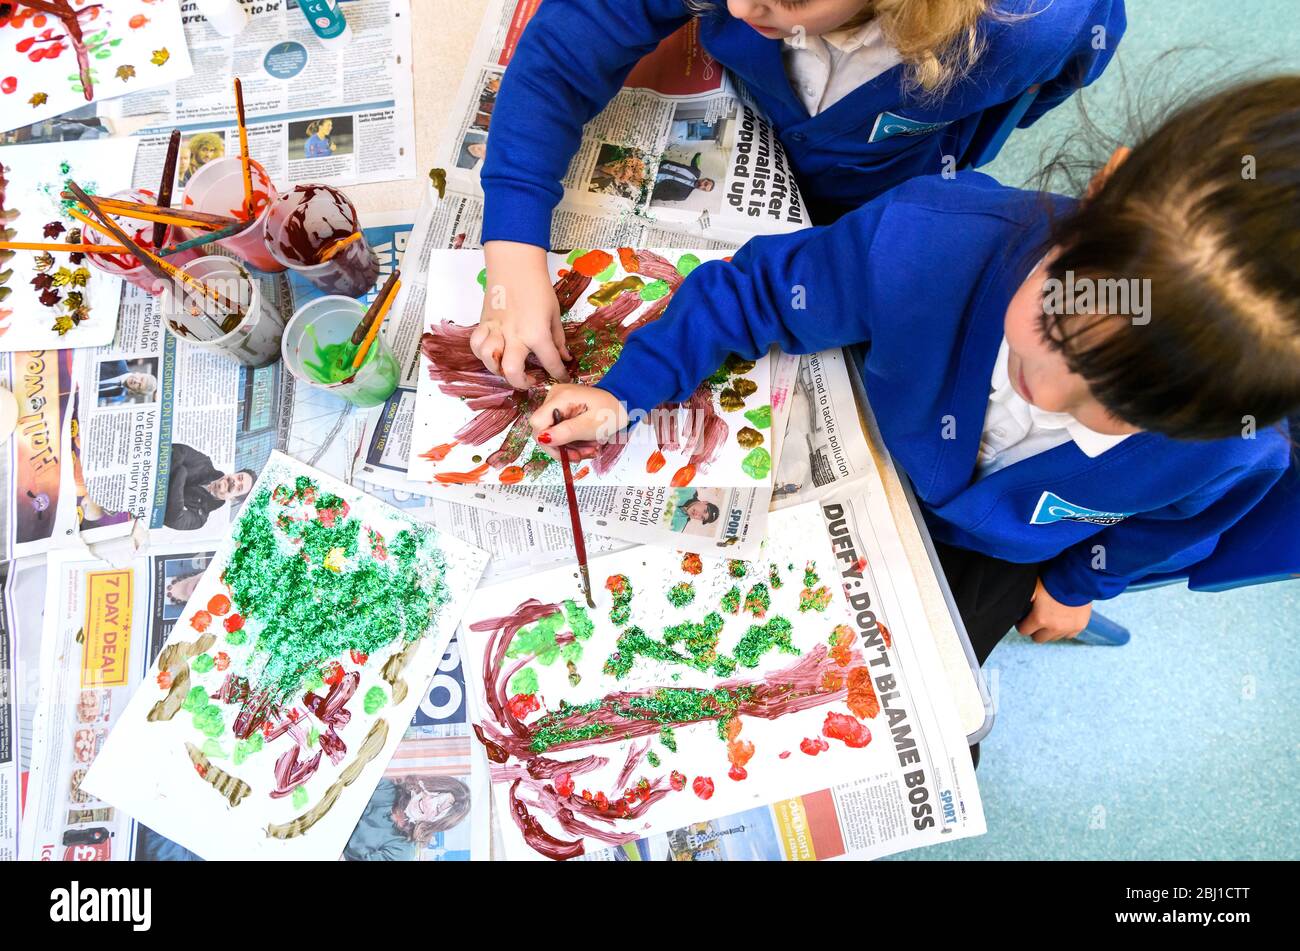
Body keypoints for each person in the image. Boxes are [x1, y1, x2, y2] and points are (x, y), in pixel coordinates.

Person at [528, 77, 1300, 666]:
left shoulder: (1232, 446)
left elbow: (1178, 519)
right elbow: (755, 293)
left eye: (1124, 409)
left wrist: (1078, 585)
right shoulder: (926, 243)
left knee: (942, 717)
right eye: (1060, 326)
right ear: (1104, 187)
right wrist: (624, 390)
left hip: (997, 549)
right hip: (866, 446)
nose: (1049, 393)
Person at [473, 0, 1125, 388]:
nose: (736, 9)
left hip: (887, 191)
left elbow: (1063, 69)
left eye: (786, 2)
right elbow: (561, 54)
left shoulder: (1031, 23)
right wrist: (511, 255)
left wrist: (961, 137)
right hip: (746, 119)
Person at [343, 775, 472, 861]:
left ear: (437, 823)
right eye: (434, 794)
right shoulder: (386, 787)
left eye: (438, 808)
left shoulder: (403, 851)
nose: (428, 802)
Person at [163, 443, 255, 531]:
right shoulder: (204, 463)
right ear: (234, 473)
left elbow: (173, 518)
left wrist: (181, 472)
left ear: (233, 498)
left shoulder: (199, 518)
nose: (235, 482)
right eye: (239, 477)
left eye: (239, 488)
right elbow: (174, 451)